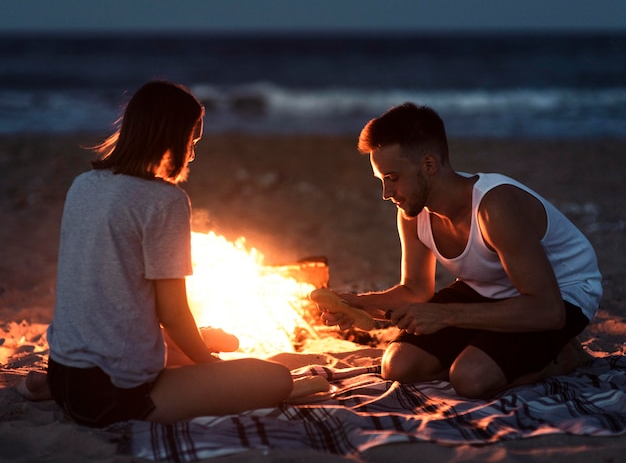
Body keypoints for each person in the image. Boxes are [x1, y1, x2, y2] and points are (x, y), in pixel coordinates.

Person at [23, 80, 293, 427]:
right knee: (275, 378)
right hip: (110, 396)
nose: (193, 153)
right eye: (191, 141)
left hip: (63, 373)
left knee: (184, 344)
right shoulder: (165, 201)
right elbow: (173, 313)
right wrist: (211, 367)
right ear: (172, 138)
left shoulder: (83, 185)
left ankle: (46, 387)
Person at [314, 103, 602, 399]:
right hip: (490, 289)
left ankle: (565, 356)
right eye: (381, 180)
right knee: (399, 366)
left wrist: (447, 315)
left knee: (470, 378)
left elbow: (548, 310)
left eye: (393, 177)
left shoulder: (494, 207)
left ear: (428, 165)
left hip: (561, 295)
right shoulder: (413, 215)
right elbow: (415, 292)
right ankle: (493, 347)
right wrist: (358, 304)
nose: (387, 194)